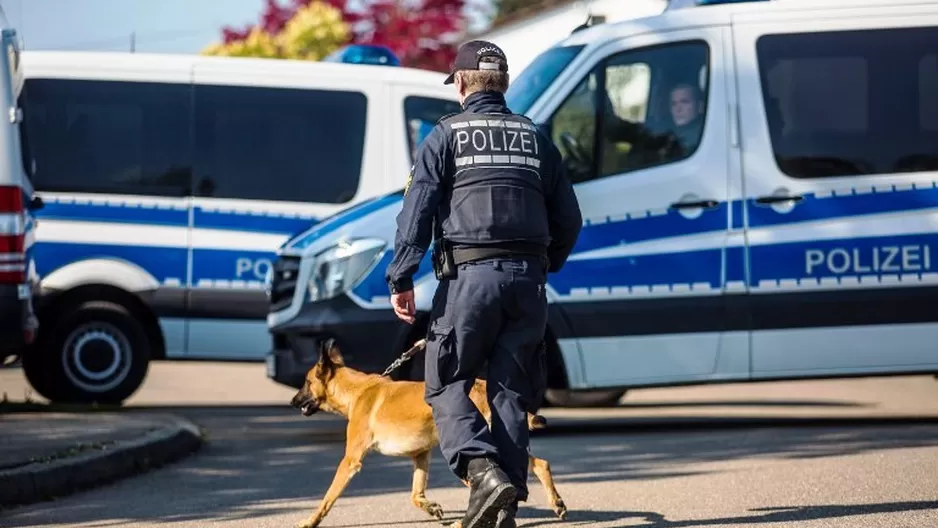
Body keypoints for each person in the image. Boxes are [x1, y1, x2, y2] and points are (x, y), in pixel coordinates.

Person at [384, 40, 582, 528]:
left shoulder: (445, 136)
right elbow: (570, 219)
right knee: (511, 395)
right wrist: (545, 265)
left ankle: (481, 470)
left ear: (463, 83)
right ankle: (503, 509)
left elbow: (417, 211)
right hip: (528, 285)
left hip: (469, 282)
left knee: (445, 381)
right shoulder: (537, 138)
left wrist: (401, 275)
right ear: (506, 83)